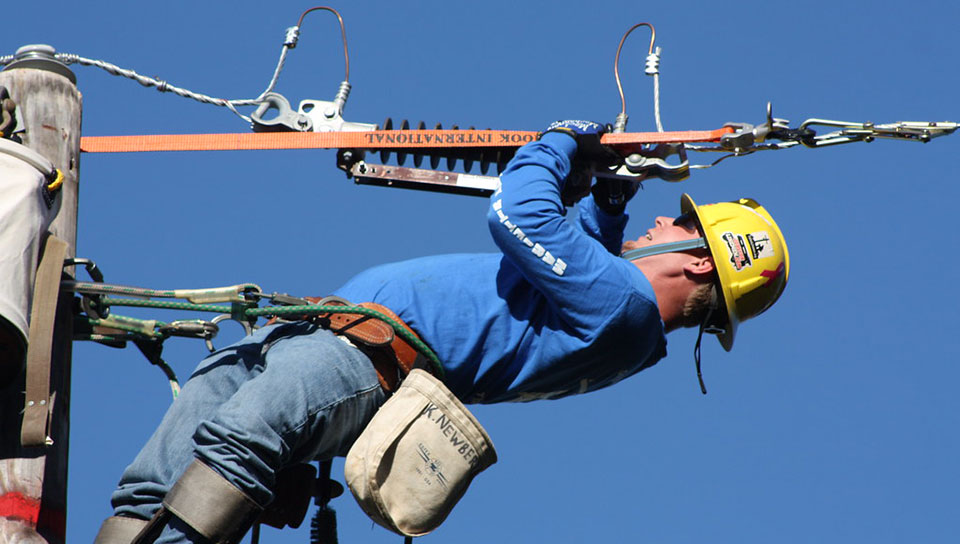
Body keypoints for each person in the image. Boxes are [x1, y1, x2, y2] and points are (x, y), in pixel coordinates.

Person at [94, 121, 789, 544]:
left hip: (362, 362)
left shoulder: (625, 311)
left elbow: (518, 217)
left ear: (699, 259)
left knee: (241, 438)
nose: (659, 223)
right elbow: (581, 270)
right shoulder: (625, 323)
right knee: (168, 461)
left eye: (676, 223)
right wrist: (607, 207)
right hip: (315, 337)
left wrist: (556, 143)